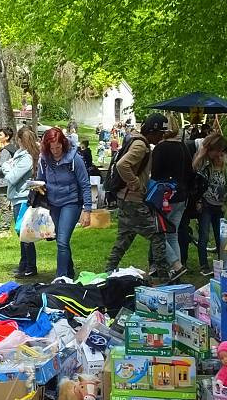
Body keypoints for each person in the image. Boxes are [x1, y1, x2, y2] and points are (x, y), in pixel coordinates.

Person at [105, 116, 168, 275]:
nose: (162, 137)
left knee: (124, 238)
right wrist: (135, 183)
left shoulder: (134, 140)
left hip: (124, 198)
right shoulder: (141, 145)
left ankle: (109, 272)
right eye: (161, 133)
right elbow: (122, 165)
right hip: (133, 198)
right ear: (152, 131)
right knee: (157, 235)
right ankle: (162, 275)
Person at [37, 127, 92, 280]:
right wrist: (38, 186)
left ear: (64, 143)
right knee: (62, 241)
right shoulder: (44, 159)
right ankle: (69, 272)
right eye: (52, 148)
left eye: (58, 147)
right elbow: (40, 179)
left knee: (62, 240)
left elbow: (85, 184)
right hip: (53, 203)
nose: (55, 151)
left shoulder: (75, 159)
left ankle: (60, 278)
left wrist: (87, 209)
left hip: (71, 202)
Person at [150, 124, 195, 281]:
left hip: (165, 197)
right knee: (172, 235)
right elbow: (190, 172)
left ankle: (176, 265)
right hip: (182, 196)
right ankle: (176, 269)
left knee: (158, 233)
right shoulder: (183, 147)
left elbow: (154, 174)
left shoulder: (161, 149)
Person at [191, 133, 227, 275]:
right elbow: (196, 173)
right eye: (217, 154)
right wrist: (199, 201)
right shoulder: (207, 167)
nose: (219, 157)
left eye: (221, 155)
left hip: (220, 207)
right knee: (204, 235)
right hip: (207, 206)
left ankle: (222, 262)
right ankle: (204, 265)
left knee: (221, 236)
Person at [3, 127, 41, 277]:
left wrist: (7, 167)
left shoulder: (26, 158)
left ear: (20, 140)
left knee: (25, 233)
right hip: (18, 197)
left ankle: (30, 266)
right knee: (22, 233)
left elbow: (12, 177)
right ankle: (24, 264)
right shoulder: (22, 155)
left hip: (23, 198)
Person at [0, 125, 16, 230]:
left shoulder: (6, 151)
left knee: (4, 205)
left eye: (1, 135)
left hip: (2, 181)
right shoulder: (11, 149)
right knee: (7, 204)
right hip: (7, 180)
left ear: (7, 137)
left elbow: (2, 166)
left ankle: (5, 227)